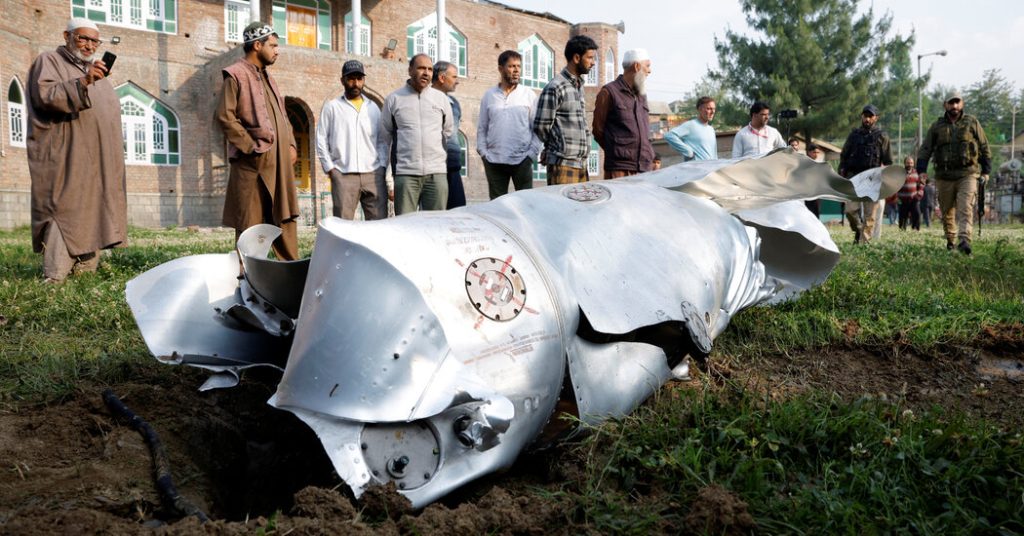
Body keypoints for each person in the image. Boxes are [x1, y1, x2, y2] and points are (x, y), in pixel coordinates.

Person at [27, 18, 127, 283]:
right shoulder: (49, 61)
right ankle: (55, 275)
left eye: (94, 41)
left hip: (99, 159)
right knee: (66, 208)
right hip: (66, 154)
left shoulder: (97, 72)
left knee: (95, 207)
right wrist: (84, 81)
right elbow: (46, 96)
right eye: (83, 38)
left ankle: (84, 272)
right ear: (67, 36)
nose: (89, 46)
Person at [218, 22, 299, 260]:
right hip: (252, 165)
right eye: (272, 45)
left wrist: (291, 144)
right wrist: (251, 147)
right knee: (250, 225)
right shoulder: (235, 74)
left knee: (285, 217)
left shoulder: (269, 78)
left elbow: (283, 116)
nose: (277, 51)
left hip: (280, 165)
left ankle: (291, 273)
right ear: (257, 45)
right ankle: (249, 277)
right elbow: (225, 116)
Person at [917, 91, 991, 255]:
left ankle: (964, 240)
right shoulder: (937, 127)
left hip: (968, 174)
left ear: (962, 104)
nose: (954, 106)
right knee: (947, 212)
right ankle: (951, 241)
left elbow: (984, 146)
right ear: (945, 105)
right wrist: (921, 170)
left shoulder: (972, 122)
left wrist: (986, 171)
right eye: (951, 103)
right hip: (944, 176)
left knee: (965, 207)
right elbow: (925, 149)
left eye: (957, 102)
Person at [378, 54, 453, 215]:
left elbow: (447, 131)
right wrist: (391, 176)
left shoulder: (441, 99)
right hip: (405, 174)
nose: (426, 73)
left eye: (430, 69)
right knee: (405, 225)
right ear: (410, 70)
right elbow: (386, 136)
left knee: (436, 224)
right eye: (421, 68)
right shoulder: (394, 99)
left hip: (436, 174)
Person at [315, 60, 385, 221]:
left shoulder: (373, 108)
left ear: (364, 80)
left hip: (373, 174)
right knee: (343, 226)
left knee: (378, 224)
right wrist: (330, 169)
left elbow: (382, 140)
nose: (356, 83)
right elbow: (321, 139)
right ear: (343, 80)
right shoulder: (332, 107)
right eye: (351, 78)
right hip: (343, 174)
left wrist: (381, 166)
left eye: (359, 79)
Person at [477, 50, 543, 200]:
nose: (516, 70)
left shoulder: (528, 95)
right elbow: (482, 127)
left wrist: (531, 155)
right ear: (501, 69)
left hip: (522, 160)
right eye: (512, 66)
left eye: (518, 66)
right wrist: (483, 153)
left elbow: (537, 129)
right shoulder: (489, 95)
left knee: (526, 203)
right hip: (494, 161)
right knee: (497, 205)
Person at [534, 35, 598, 184]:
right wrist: (554, 148)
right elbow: (541, 126)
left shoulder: (578, 86)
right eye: (590, 58)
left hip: (581, 165)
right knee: (561, 201)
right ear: (576, 58)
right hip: (562, 165)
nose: (593, 62)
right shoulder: (556, 87)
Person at [592, 48, 655, 177]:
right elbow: (598, 130)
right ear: (637, 66)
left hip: (644, 168)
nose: (649, 71)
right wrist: (616, 150)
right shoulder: (609, 92)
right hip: (619, 169)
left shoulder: (641, 96)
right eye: (647, 66)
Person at [838, 104, 893, 244]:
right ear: (861, 117)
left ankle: (864, 243)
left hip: (873, 179)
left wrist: (886, 181)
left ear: (876, 118)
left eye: (870, 116)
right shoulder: (854, 135)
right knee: (850, 211)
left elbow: (888, 161)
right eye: (865, 116)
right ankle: (858, 230)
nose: (867, 119)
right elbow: (844, 156)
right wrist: (842, 174)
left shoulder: (882, 136)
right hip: (854, 178)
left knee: (870, 216)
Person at [431, 61, 465, 209]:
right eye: (454, 77)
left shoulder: (454, 103)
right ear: (441, 78)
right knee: (435, 211)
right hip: (433, 166)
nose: (457, 81)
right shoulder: (425, 99)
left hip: (453, 164)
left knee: (458, 208)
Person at [664, 96, 717, 161]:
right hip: (695, 167)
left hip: (711, 166)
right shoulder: (690, 125)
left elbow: (714, 153)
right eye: (709, 109)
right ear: (700, 109)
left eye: (714, 109)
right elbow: (669, 135)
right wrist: (687, 151)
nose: (712, 112)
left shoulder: (711, 129)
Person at [897, 156, 924, 230]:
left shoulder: (917, 173)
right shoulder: (900, 173)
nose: (910, 164)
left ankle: (915, 229)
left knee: (917, 214)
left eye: (911, 163)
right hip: (903, 200)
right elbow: (896, 186)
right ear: (904, 163)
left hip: (914, 199)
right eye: (908, 163)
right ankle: (902, 229)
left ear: (913, 164)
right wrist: (897, 196)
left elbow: (921, 185)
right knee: (903, 217)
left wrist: (919, 194)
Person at [803, 142, 823, 216]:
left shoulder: (818, 164)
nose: (816, 154)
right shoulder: (804, 163)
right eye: (814, 152)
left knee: (815, 214)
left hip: (816, 194)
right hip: (806, 194)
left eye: (817, 152)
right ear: (809, 152)